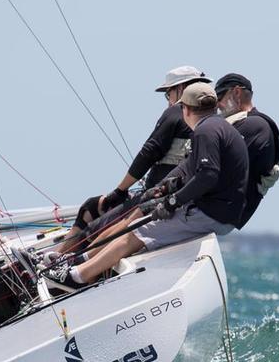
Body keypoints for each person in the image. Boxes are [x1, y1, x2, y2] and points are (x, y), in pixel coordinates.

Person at [44, 83, 248, 291]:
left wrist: (172, 202)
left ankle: (77, 278)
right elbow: (188, 170)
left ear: (185, 109)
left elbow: (208, 175)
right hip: (223, 213)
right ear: (213, 108)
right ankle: (81, 261)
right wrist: (161, 189)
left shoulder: (204, 131)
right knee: (137, 222)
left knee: (137, 232)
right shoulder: (221, 127)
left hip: (210, 214)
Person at [63, 66, 211, 248]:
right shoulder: (214, 121)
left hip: (157, 196)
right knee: (93, 205)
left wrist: (119, 191)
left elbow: (148, 153)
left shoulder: (176, 111)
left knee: (92, 229)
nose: (168, 100)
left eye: (168, 93)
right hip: (189, 202)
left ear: (182, 88)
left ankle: (57, 260)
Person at [213, 73, 279, 229]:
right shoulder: (247, 124)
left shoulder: (254, 125)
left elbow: (217, 166)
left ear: (236, 92)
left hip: (223, 212)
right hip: (226, 211)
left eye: (220, 97)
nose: (217, 105)